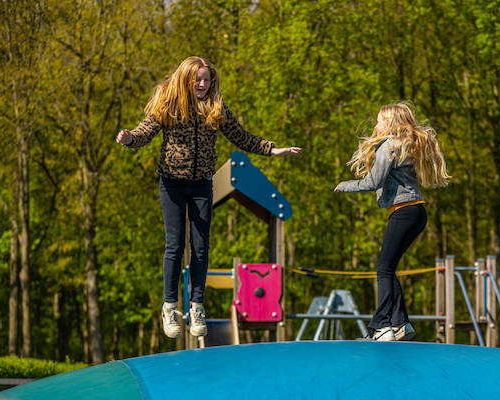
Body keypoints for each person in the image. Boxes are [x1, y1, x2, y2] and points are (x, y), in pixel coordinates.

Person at [116, 56, 301, 339]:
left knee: (201, 247)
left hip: (202, 183)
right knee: (175, 246)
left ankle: (197, 305)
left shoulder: (215, 107)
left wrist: (272, 149)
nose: (203, 84)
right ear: (186, 79)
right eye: (198, 80)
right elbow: (146, 130)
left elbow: (241, 136)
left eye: (207, 80)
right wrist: (129, 139)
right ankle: (169, 306)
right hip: (172, 183)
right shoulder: (169, 102)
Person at [334, 102, 449, 341]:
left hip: (404, 211)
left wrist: (344, 186)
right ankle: (401, 325)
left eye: (379, 120)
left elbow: (372, 182)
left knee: (383, 269)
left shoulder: (389, 147)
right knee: (389, 268)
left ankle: (382, 326)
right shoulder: (405, 146)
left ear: (390, 124)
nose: (376, 125)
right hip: (416, 211)